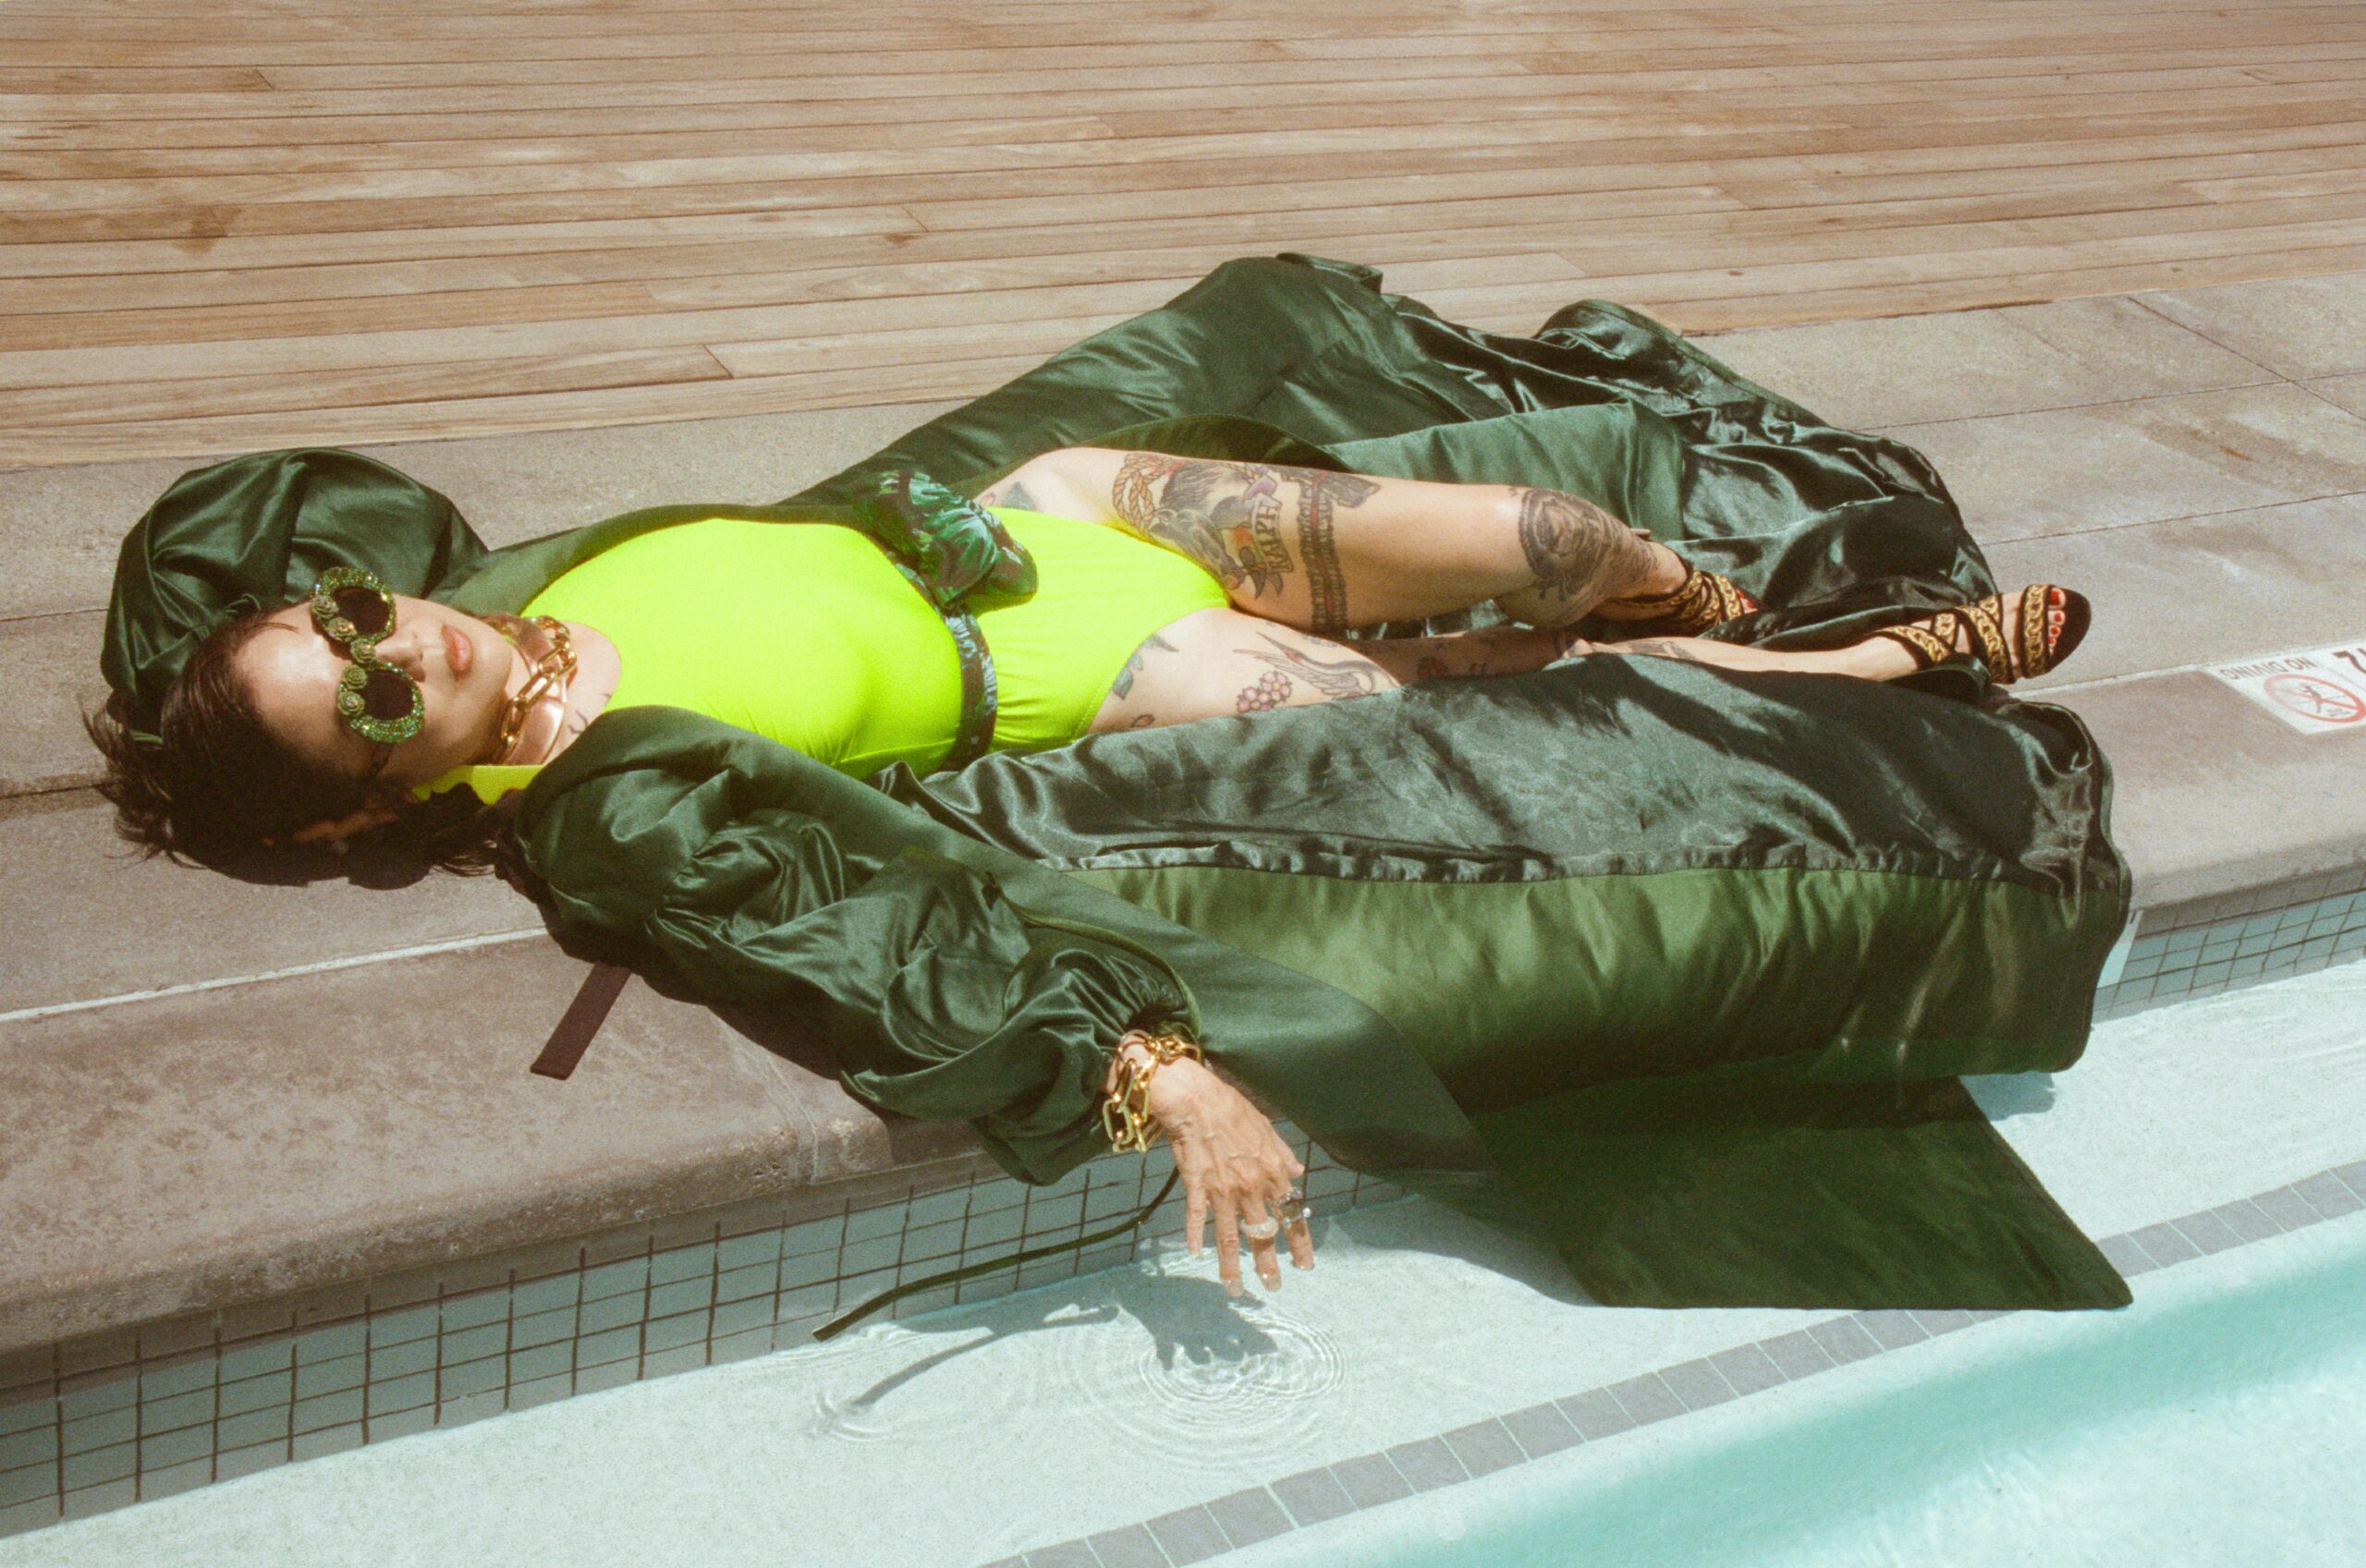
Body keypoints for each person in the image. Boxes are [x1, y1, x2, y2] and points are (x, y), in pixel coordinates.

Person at [86, 442, 2089, 1304]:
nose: (391, 641)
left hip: (1050, 517)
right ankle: (1844, 670)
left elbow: (248, 528)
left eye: (349, 615)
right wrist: (1155, 1068)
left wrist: (194, 685)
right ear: (360, 813)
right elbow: (846, 931)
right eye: (363, 698)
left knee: (1549, 539)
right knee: (1518, 706)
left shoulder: (474, 592)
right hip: (1122, 667)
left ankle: (1727, 615)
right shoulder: (604, 801)